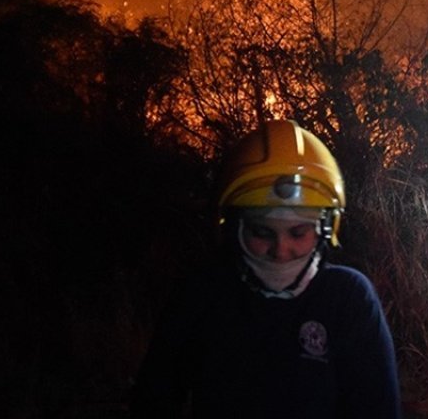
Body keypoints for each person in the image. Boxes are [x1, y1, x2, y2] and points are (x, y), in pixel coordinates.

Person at [129, 119, 403, 418]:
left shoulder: (348, 299)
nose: (281, 251)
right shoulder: (202, 295)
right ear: (234, 228)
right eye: (262, 232)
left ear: (326, 229)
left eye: (298, 233)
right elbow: (153, 402)